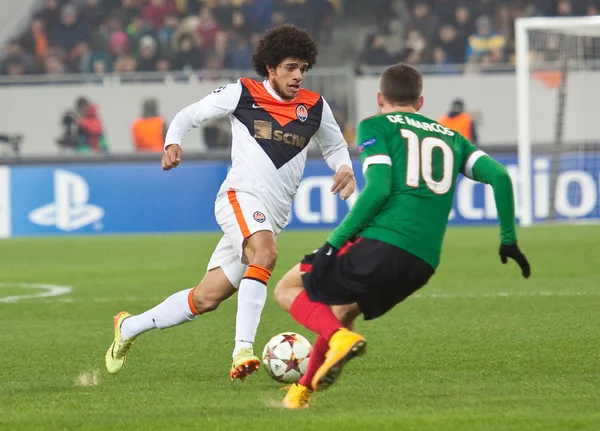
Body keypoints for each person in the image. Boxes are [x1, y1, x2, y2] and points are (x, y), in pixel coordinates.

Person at [105, 24, 356, 382]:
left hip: (273, 215)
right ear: (270, 68)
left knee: (206, 298)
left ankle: (128, 327)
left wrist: (343, 167)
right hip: (239, 197)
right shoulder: (243, 93)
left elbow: (334, 146)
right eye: (290, 67)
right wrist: (173, 141)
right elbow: (191, 114)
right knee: (265, 254)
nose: (298, 75)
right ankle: (243, 349)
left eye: (303, 68)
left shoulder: (314, 107)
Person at [273, 63, 531, 409]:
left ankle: (338, 340)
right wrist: (508, 238)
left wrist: (334, 242)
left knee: (287, 288)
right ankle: (300, 394)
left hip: (383, 242)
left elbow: (378, 188)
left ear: (380, 98)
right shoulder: (452, 138)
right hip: (423, 263)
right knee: (344, 309)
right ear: (420, 101)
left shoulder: (376, 125)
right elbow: (499, 176)